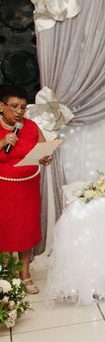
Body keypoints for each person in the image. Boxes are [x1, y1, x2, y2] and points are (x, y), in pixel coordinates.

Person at [0, 85, 53, 294]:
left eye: (23, 107)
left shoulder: (30, 126)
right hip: (3, 188)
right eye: (14, 106)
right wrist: (4, 142)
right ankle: (5, 274)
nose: (19, 112)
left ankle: (25, 275)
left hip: (28, 187)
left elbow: (43, 149)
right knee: (4, 230)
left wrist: (46, 157)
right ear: (2, 106)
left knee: (25, 230)